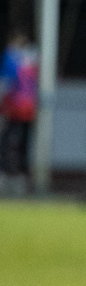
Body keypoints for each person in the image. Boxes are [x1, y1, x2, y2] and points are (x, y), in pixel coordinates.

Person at [0, 28, 38, 195]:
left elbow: (6, 83)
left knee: (8, 143)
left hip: (13, 109)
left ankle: (9, 176)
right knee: (23, 144)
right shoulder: (33, 59)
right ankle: (22, 178)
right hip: (29, 110)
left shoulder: (11, 58)